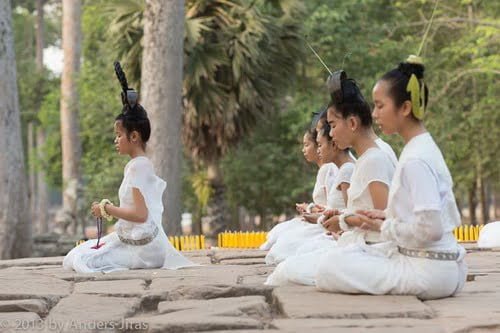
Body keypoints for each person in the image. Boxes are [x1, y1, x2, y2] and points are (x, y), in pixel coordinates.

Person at [315, 56, 467, 300]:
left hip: (429, 272)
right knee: (334, 260)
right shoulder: (420, 147)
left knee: (328, 268)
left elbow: (432, 229)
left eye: (380, 106)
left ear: (404, 108)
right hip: (439, 268)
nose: (374, 114)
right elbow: (426, 214)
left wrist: (382, 225)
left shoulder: (415, 159)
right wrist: (387, 215)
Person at [63, 65, 196, 273]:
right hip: (136, 242)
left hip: (144, 250)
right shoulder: (137, 164)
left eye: (119, 135)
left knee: (80, 260)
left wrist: (106, 209)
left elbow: (140, 215)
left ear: (133, 136)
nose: (115, 140)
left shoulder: (139, 167)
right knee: (77, 254)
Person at [265, 72, 394, 286]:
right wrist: (340, 216)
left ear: (352, 123)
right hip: (355, 243)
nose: (330, 135)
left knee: (289, 270)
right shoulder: (367, 159)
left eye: (333, 126)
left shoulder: (374, 160)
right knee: (286, 266)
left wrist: (344, 222)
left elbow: (385, 222)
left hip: (373, 251)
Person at [259, 114, 337, 253]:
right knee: (277, 232)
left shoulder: (330, 169)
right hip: (320, 219)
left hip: (326, 223)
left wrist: (311, 209)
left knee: (283, 242)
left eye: (307, 145)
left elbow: (333, 207)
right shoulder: (324, 170)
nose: (303, 150)